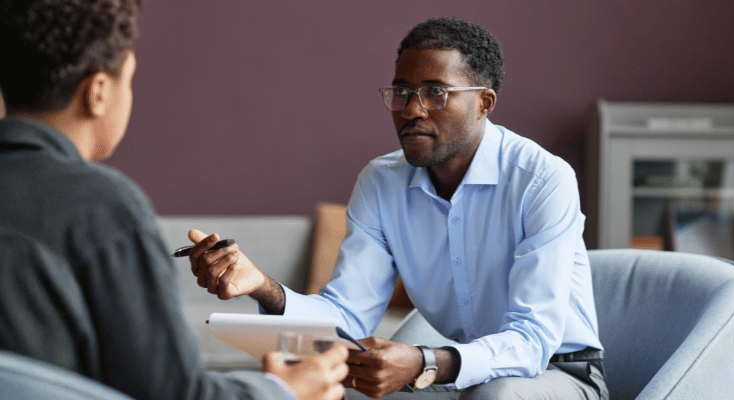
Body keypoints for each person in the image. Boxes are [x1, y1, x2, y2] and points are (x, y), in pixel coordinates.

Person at [187, 16, 608, 400]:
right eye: (402, 91)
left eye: (435, 92)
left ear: (484, 103)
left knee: (498, 397)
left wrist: (425, 361)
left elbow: (533, 340)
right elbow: (348, 317)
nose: (411, 109)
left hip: (557, 374)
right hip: (454, 374)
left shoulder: (541, 179)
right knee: (328, 393)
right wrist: (261, 285)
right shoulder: (381, 182)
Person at [0, 1, 348, 399]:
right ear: (97, 92)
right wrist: (279, 390)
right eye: (128, 80)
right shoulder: (101, 207)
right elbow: (172, 394)